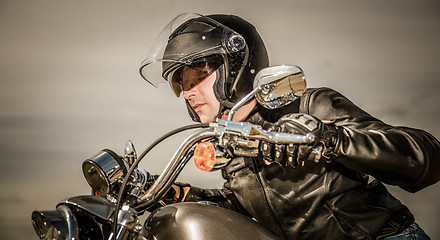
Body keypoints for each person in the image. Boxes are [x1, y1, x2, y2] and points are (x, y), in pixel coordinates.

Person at [139, 13, 440, 240]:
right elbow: (251, 208)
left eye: (197, 78)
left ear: (235, 68)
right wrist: (180, 195)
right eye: (182, 84)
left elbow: (425, 157)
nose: (189, 92)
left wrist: (326, 138)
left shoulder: (310, 106)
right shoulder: (229, 140)